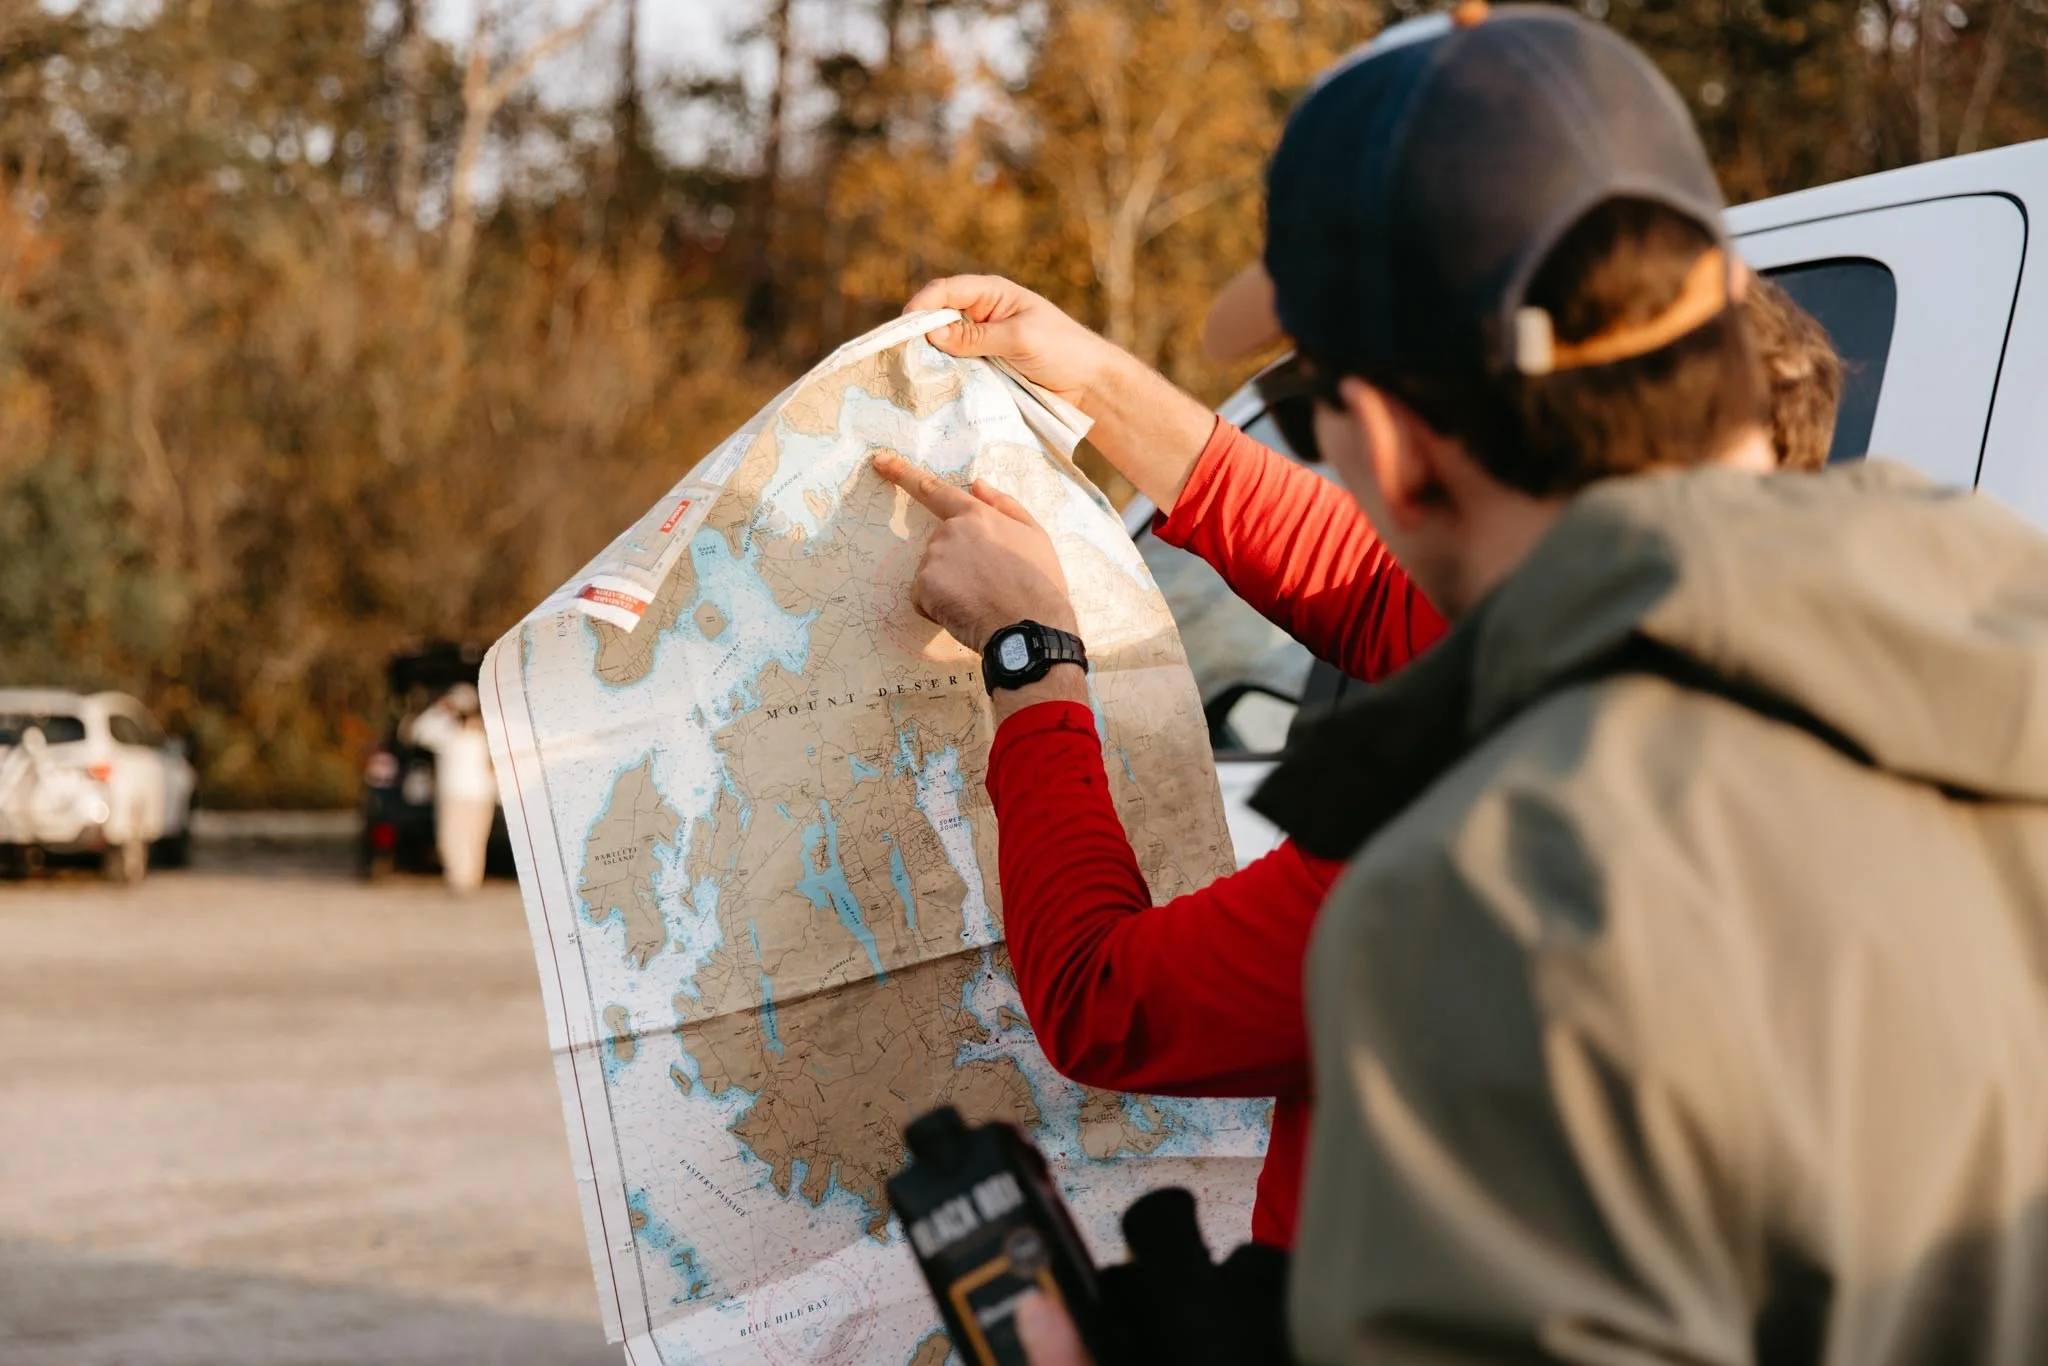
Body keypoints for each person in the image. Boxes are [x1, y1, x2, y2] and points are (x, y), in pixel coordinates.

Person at [873, 15, 1847, 1256]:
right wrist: (1095, 379)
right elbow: (1377, 594)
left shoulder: (1456, 860)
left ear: (1391, 437)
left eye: (1322, 392)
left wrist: (1031, 655)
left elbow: (1102, 1004)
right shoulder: (1769, 640)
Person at [408, 683, 496, 894]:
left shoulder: (485, 733)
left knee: (474, 839)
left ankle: (469, 882)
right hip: (453, 796)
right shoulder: (446, 734)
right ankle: (459, 880)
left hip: (481, 796)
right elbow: (418, 732)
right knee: (450, 841)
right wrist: (441, 710)